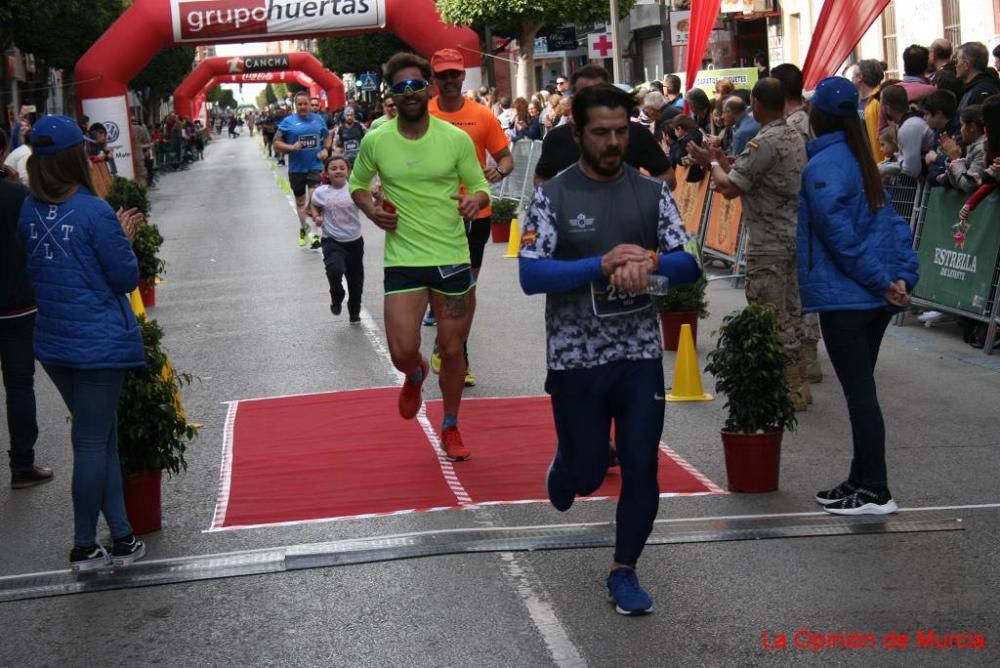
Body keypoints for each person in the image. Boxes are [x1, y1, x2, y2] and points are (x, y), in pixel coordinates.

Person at [519, 83, 700, 616]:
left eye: (622, 131)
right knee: (590, 474)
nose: (613, 142)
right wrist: (597, 266)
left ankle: (625, 570)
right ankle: (571, 462)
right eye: (601, 132)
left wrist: (650, 262)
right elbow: (532, 275)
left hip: (639, 353)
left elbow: (688, 260)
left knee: (643, 463)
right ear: (577, 132)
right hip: (576, 358)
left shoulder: (652, 193)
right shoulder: (553, 197)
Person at [17, 115, 148, 570]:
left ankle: (124, 535)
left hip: (54, 341)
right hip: (98, 344)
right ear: (77, 158)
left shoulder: (29, 210)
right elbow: (124, 278)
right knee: (93, 442)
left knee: (101, 437)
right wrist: (124, 238)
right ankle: (83, 544)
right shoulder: (94, 212)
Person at [349, 52, 490, 461]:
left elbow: (480, 185)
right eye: (401, 87)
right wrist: (371, 211)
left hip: (451, 257)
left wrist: (474, 201)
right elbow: (358, 184)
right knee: (401, 349)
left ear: (427, 88)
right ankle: (413, 373)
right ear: (389, 93)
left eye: (416, 85)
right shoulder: (377, 139)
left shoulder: (455, 139)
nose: (409, 93)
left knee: (452, 349)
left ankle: (450, 425)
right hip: (404, 259)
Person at [797, 77, 920, 515]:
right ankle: (861, 478)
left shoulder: (826, 166)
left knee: (860, 394)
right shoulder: (857, 158)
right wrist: (901, 276)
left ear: (818, 116)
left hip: (851, 297)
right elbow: (891, 225)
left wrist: (885, 280)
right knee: (860, 390)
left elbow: (839, 237)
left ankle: (875, 489)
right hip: (870, 294)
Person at [688, 78, 811, 410]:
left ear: (756, 103)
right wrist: (716, 162)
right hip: (789, 235)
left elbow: (730, 187)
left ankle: (786, 388)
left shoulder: (765, 141)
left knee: (770, 316)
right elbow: (748, 177)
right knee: (790, 312)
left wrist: (712, 162)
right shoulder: (791, 136)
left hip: (768, 240)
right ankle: (798, 381)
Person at [426, 48, 514, 387]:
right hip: (434, 214)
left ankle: (456, 352)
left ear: (463, 76)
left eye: (455, 74)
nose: (449, 80)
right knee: (441, 287)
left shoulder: (482, 115)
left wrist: (498, 172)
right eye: (443, 75)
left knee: (465, 287)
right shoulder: (424, 113)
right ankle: (449, 344)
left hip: (476, 212)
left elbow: (505, 158)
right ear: (434, 79)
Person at [1, 129, 52, 489]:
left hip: (18, 304)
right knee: (19, 385)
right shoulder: (19, 196)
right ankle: (22, 465)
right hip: (17, 305)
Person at [534, 65, 675, 190]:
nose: (613, 141)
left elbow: (667, 177)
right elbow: (540, 180)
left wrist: (638, 199)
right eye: (585, 95)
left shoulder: (636, 133)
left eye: (620, 132)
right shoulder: (557, 138)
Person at [309, 154, 365, 323]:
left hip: (354, 241)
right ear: (326, 173)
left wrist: (377, 199)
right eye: (333, 168)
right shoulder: (321, 192)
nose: (338, 171)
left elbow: (371, 206)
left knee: (355, 281)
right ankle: (337, 294)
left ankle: (354, 311)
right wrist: (316, 216)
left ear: (348, 171)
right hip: (331, 240)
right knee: (335, 270)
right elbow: (313, 205)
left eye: (342, 168)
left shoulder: (355, 189)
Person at [274, 91, 329, 250]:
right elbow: (276, 143)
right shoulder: (288, 122)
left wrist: (326, 149)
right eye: (300, 104)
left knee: (314, 195)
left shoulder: (318, 119)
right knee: (299, 201)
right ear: (295, 105)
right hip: (296, 168)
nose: (303, 107)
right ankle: (304, 228)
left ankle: (316, 234)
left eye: (306, 104)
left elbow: (327, 136)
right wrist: (291, 147)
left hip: (315, 165)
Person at [878, 84, 938, 179]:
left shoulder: (909, 127)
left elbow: (912, 169)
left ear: (887, 108)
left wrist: (885, 168)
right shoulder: (906, 124)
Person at [852, 60, 886, 161]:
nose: (851, 78)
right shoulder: (857, 101)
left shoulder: (878, 101)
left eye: (853, 74)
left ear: (860, 77)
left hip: (877, 163)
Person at [956, 42, 1000, 112]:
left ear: (966, 64)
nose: (956, 65)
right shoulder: (971, 88)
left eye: (957, 61)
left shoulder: (982, 92)